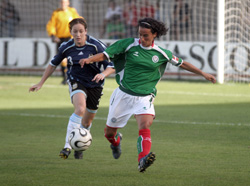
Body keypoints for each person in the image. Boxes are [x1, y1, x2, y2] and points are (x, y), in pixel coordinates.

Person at [79, 17, 216, 172]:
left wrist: (203, 73)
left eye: (146, 35)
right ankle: (116, 142)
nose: (142, 38)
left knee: (145, 125)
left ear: (154, 35)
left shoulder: (161, 53)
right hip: (123, 95)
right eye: (140, 34)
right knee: (109, 132)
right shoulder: (128, 44)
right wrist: (90, 59)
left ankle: (142, 159)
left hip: (145, 96)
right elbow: (105, 55)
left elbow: (182, 63)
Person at [29, 18, 115, 160]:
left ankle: (79, 145)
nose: (78, 35)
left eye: (81, 31)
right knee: (80, 109)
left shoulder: (96, 46)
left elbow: (112, 66)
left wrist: (102, 74)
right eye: (75, 32)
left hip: (95, 84)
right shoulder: (66, 47)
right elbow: (52, 64)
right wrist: (41, 82)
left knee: (86, 122)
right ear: (71, 32)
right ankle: (67, 146)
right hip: (76, 80)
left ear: (86, 31)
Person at [46, 0, 80, 84]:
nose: (63, 4)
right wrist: (53, 35)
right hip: (60, 39)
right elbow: (51, 25)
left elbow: (79, 21)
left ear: (68, 3)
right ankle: (65, 78)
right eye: (62, 2)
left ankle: (73, 77)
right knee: (63, 59)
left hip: (71, 38)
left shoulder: (72, 11)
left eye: (65, 2)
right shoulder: (56, 13)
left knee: (72, 57)